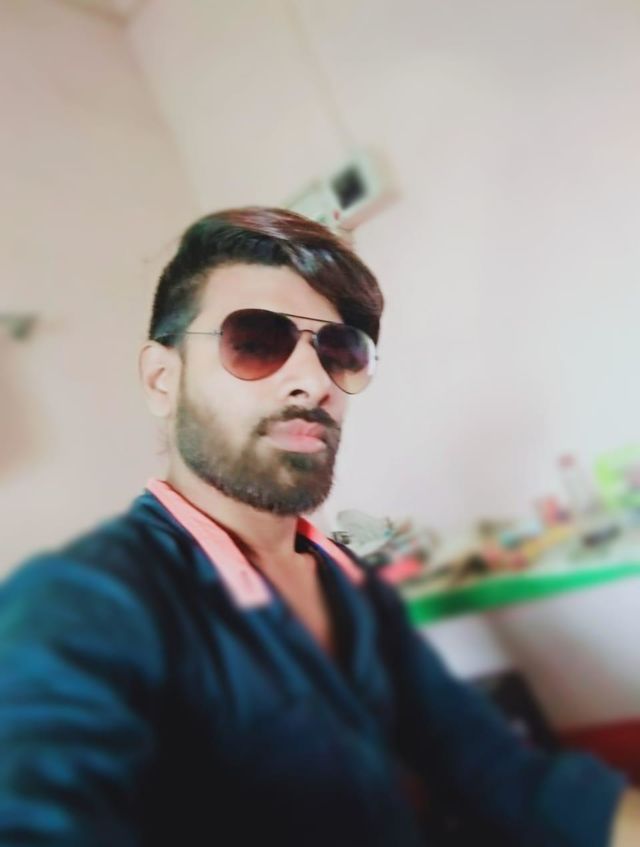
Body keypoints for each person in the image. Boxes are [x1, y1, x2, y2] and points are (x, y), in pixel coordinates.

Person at [0, 207, 638, 847]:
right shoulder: (79, 604)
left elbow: (501, 772)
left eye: (338, 351)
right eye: (254, 341)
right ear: (163, 380)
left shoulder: (348, 581)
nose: (315, 382)